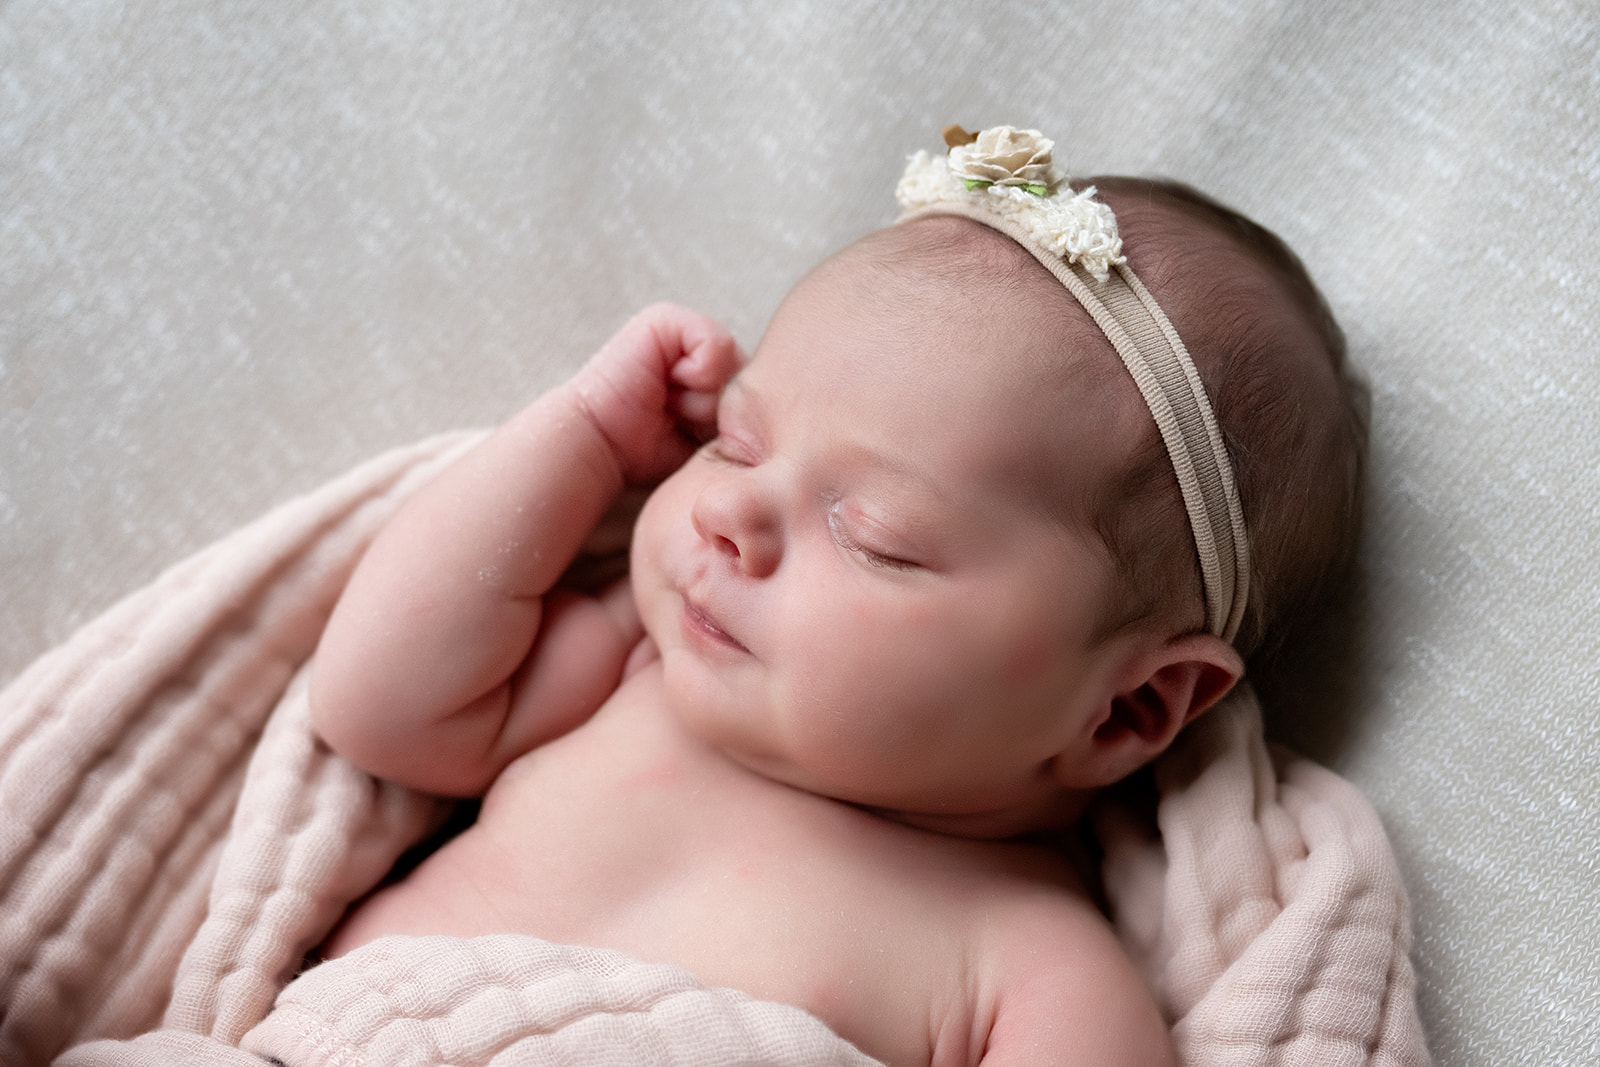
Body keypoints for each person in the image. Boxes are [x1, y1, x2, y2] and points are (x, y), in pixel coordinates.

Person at [309, 126, 1365, 1066]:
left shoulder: (1027, 967)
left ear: (1130, 706)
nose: (730, 513)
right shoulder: (639, 675)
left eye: (873, 536)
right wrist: (585, 436)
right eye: (736, 439)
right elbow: (375, 705)